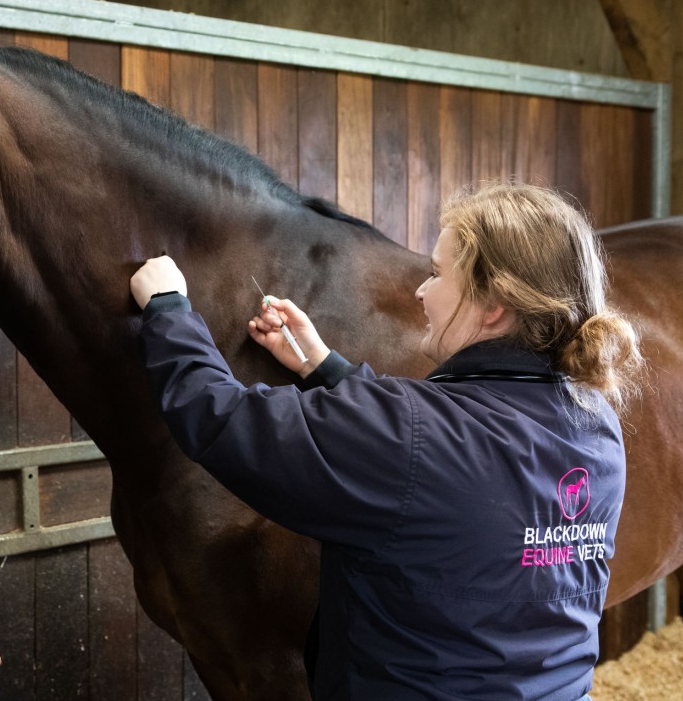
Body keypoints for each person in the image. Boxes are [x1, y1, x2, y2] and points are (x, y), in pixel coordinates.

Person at [130, 182, 643, 700]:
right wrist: (324, 367)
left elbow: (220, 418)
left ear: (494, 306)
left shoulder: (411, 431)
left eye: (438, 274)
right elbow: (446, 459)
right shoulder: (596, 424)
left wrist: (168, 307)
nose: (422, 291)